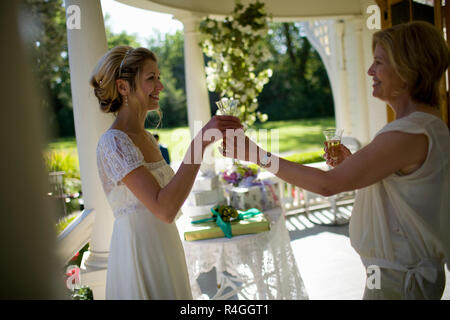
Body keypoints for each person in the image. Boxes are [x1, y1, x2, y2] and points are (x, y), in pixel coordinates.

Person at [224, 21, 450, 300]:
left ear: (407, 70)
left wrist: (256, 154)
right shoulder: (424, 126)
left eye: (378, 62)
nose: (370, 71)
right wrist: (354, 165)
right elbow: (402, 196)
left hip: (399, 280)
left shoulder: (407, 132)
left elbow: (327, 185)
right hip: (399, 275)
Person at [91, 46, 242, 299]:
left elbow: (172, 200)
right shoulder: (114, 143)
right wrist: (199, 144)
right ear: (123, 87)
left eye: (158, 77)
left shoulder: (148, 138)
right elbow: (164, 209)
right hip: (139, 254)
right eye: (151, 78)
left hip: (166, 247)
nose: (160, 86)